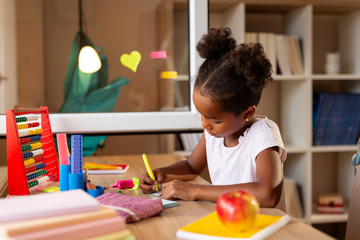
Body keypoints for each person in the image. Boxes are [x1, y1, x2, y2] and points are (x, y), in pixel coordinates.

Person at [139, 27, 287, 209]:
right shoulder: (214, 133)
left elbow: (267, 194)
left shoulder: (262, 135)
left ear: (247, 113)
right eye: (201, 115)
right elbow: (191, 166)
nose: (204, 124)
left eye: (214, 120)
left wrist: (194, 191)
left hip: (263, 228)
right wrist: (162, 173)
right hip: (229, 222)